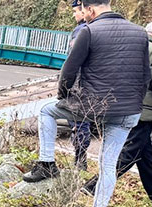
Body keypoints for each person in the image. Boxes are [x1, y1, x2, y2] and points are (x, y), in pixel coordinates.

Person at [22, 0, 150, 207]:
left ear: (91, 9)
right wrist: (135, 103)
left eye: (84, 10)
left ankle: (47, 163)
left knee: (46, 109)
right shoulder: (140, 33)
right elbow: (146, 76)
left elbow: (69, 71)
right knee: (108, 165)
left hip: (91, 107)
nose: (83, 14)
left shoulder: (89, 31)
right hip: (128, 110)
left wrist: (64, 97)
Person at [84, 20, 152, 202]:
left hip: (122, 104)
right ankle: (94, 186)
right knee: (129, 152)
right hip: (144, 109)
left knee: (144, 152)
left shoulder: (129, 46)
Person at [68, 1, 94, 169]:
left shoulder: (81, 31)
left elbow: (73, 60)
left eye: (77, 11)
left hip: (79, 85)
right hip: (91, 84)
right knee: (83, 122)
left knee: (79, 122)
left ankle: (80, 160)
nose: (74, 14)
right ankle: (80, 159)